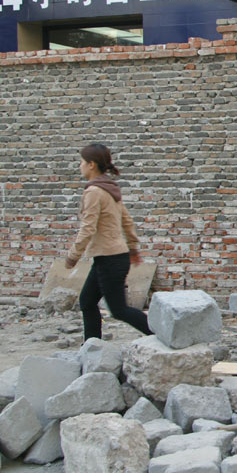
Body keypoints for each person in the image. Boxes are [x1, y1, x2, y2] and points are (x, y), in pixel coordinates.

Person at [67, 144, 152, 342]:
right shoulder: (110, 188)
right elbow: (127, 220)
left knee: (119, 310)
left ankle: (161, 334)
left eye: (81, 162)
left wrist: (73, 255)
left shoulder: (95, 192)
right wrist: (132, 246)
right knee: (87, 302)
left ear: (91, 165)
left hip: (110, 258)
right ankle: (91, 348)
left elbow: (87, 228)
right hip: (110, 257)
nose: (79, 166)